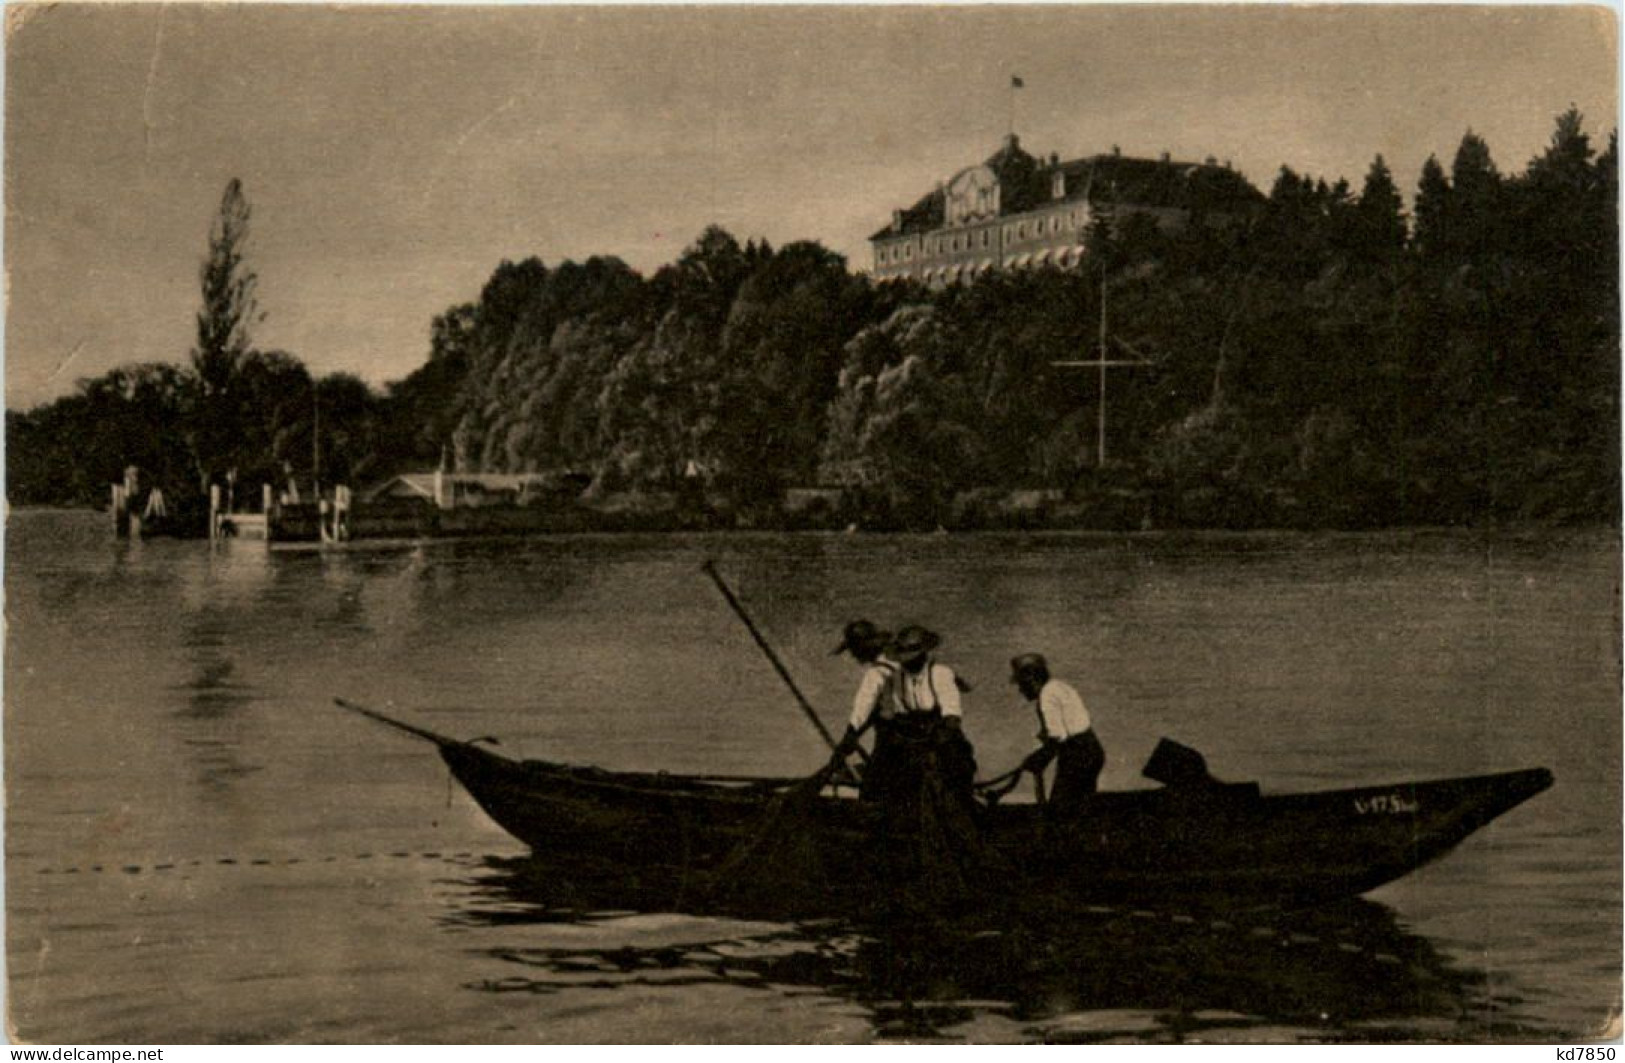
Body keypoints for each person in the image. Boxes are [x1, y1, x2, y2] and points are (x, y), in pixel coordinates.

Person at [1010, 652, 1105, 811]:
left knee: (1061, 807)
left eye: (1021, 684)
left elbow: (1057, 737)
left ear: (1031, 679)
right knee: (1082, 805)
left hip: (1077, 755)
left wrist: (1038, 760)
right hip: (1092, 750)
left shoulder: (1046, 696)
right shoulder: (1060, 686)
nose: (1020, 690)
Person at [829, 619, 896, 799]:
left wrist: (841, 751)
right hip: (923, 744)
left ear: (862, 647)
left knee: (871, 795)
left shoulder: (875, 675)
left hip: (892, 747)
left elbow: (859, 718)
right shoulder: (901, 666)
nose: (852, 655)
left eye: (853, 649)